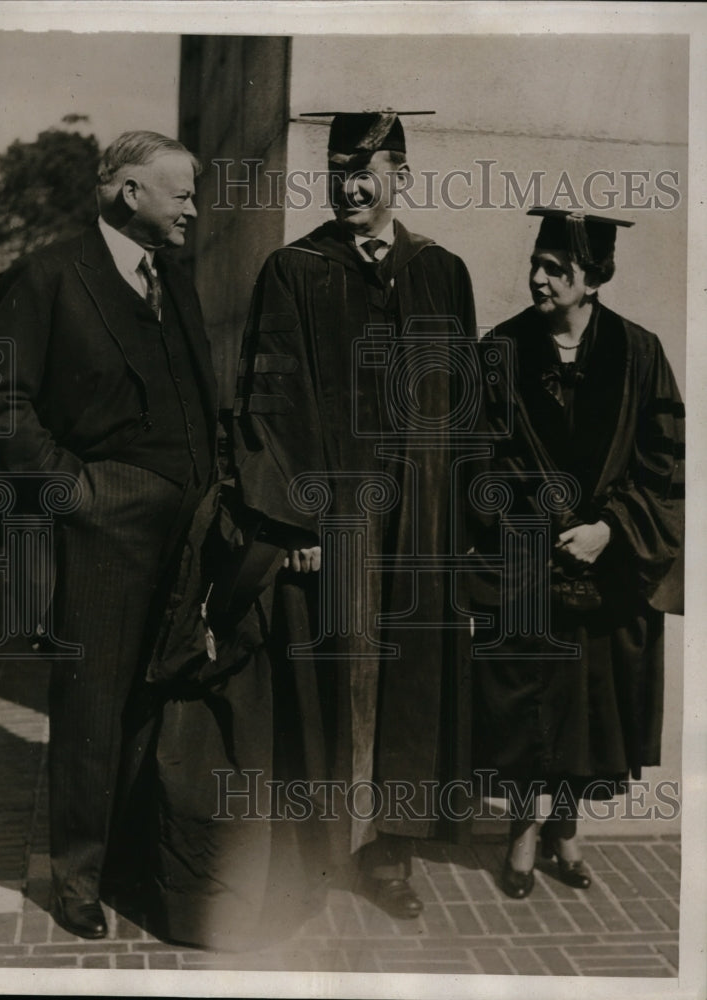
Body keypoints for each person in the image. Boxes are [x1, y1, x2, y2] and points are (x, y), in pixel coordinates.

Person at [232, 111, 482, 919]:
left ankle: (390, 854)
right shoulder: (293, 270)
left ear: (400, 176)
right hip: (334, 520)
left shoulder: (442, 273)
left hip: (420, 525)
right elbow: (268, 405)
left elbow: (468, 414)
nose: (349, 184)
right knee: (326, 686)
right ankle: (313, 855)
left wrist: (461, 534)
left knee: (406, 687)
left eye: (366, 169)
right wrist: (296, 523)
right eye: (339, 169)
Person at [0, 131, 218, 938]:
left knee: (153, 702)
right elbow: (2, 399)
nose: (193, 208)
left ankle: (130, 865)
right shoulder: (46, 276)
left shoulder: (170, 279)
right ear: (127, 192)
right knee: (92, 709)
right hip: (101, 529)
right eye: (180, 192)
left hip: (182, 532)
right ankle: (76, 880)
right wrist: (77, 493)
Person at [471, 208, 685, 899]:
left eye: (556, 268)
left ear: (592, 278)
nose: (537, 276)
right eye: (536, 261)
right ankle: (522, 831)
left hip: (607, 567)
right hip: (528, 560)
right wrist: (530, 520)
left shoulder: (638, 352)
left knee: (592, 710)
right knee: (529, 703)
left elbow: (663, 462)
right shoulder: (500, 348)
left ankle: (564, 829)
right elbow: (477, 457)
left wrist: (610, 527)